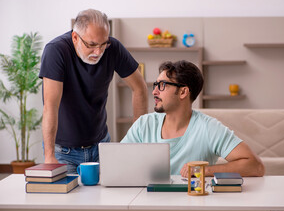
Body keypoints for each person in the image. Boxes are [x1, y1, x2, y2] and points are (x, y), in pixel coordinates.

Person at [39, 9, 148, 173]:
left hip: (100, 146)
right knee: (68, 199)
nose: (98, 52)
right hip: (63, 152)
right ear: (75, 37)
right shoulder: (56, 51)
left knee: (107, 198)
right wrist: (49, 156)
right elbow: (50, 105)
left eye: (103, 44)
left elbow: (139, 87)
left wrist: (138, 139)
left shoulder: (114, 48)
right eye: (91, 45)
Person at [121, 60, 265, 177]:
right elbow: (118, 162)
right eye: (156, 85)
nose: (154, 91)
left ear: (183, 92)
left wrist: (205, 171)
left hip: (192, 206)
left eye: (162, 85)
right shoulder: (143, 124)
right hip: (147, 204)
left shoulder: (208, 128)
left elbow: (256, 166)